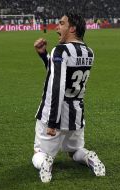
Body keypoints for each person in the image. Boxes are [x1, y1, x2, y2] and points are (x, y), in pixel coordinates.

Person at [32, 11, 105, 183]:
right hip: (76, 114)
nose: (57, 27)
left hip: (54, 113)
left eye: (62, 24)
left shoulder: (60, 50)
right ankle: (89, 157)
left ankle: (46, 162)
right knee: (74, 152)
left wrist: (52, 123)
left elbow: (57, 85)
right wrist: (44, 56)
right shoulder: (89, 52)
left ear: (72, 28)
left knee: (39, 153)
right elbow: (60, 73)